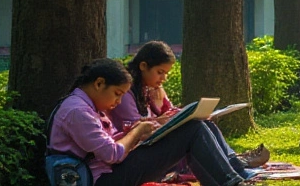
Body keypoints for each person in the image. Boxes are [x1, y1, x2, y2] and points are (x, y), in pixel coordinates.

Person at [50, 59, 274, 186]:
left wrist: (140, 130)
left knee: (193, 126)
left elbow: (109, 140)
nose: (117, 103)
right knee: (192, 129)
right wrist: (137, 131)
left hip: (107, 176)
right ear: (99, 84)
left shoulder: (86, 106)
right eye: (117, 95)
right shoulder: (77, 111)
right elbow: (111, 153)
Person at [111, 41, 269, 170]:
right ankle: (231, 163)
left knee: (202, 122)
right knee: (194, 133)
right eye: (160, 72)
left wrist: (187, 114)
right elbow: (136, 128)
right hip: (139, 149)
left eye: (166, 73)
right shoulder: (126, 92)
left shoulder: (151, 88)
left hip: (156, 140)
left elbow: (169, 111)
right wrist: (162, 121)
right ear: (143, 66)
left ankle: (231, 160)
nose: (163, 78)